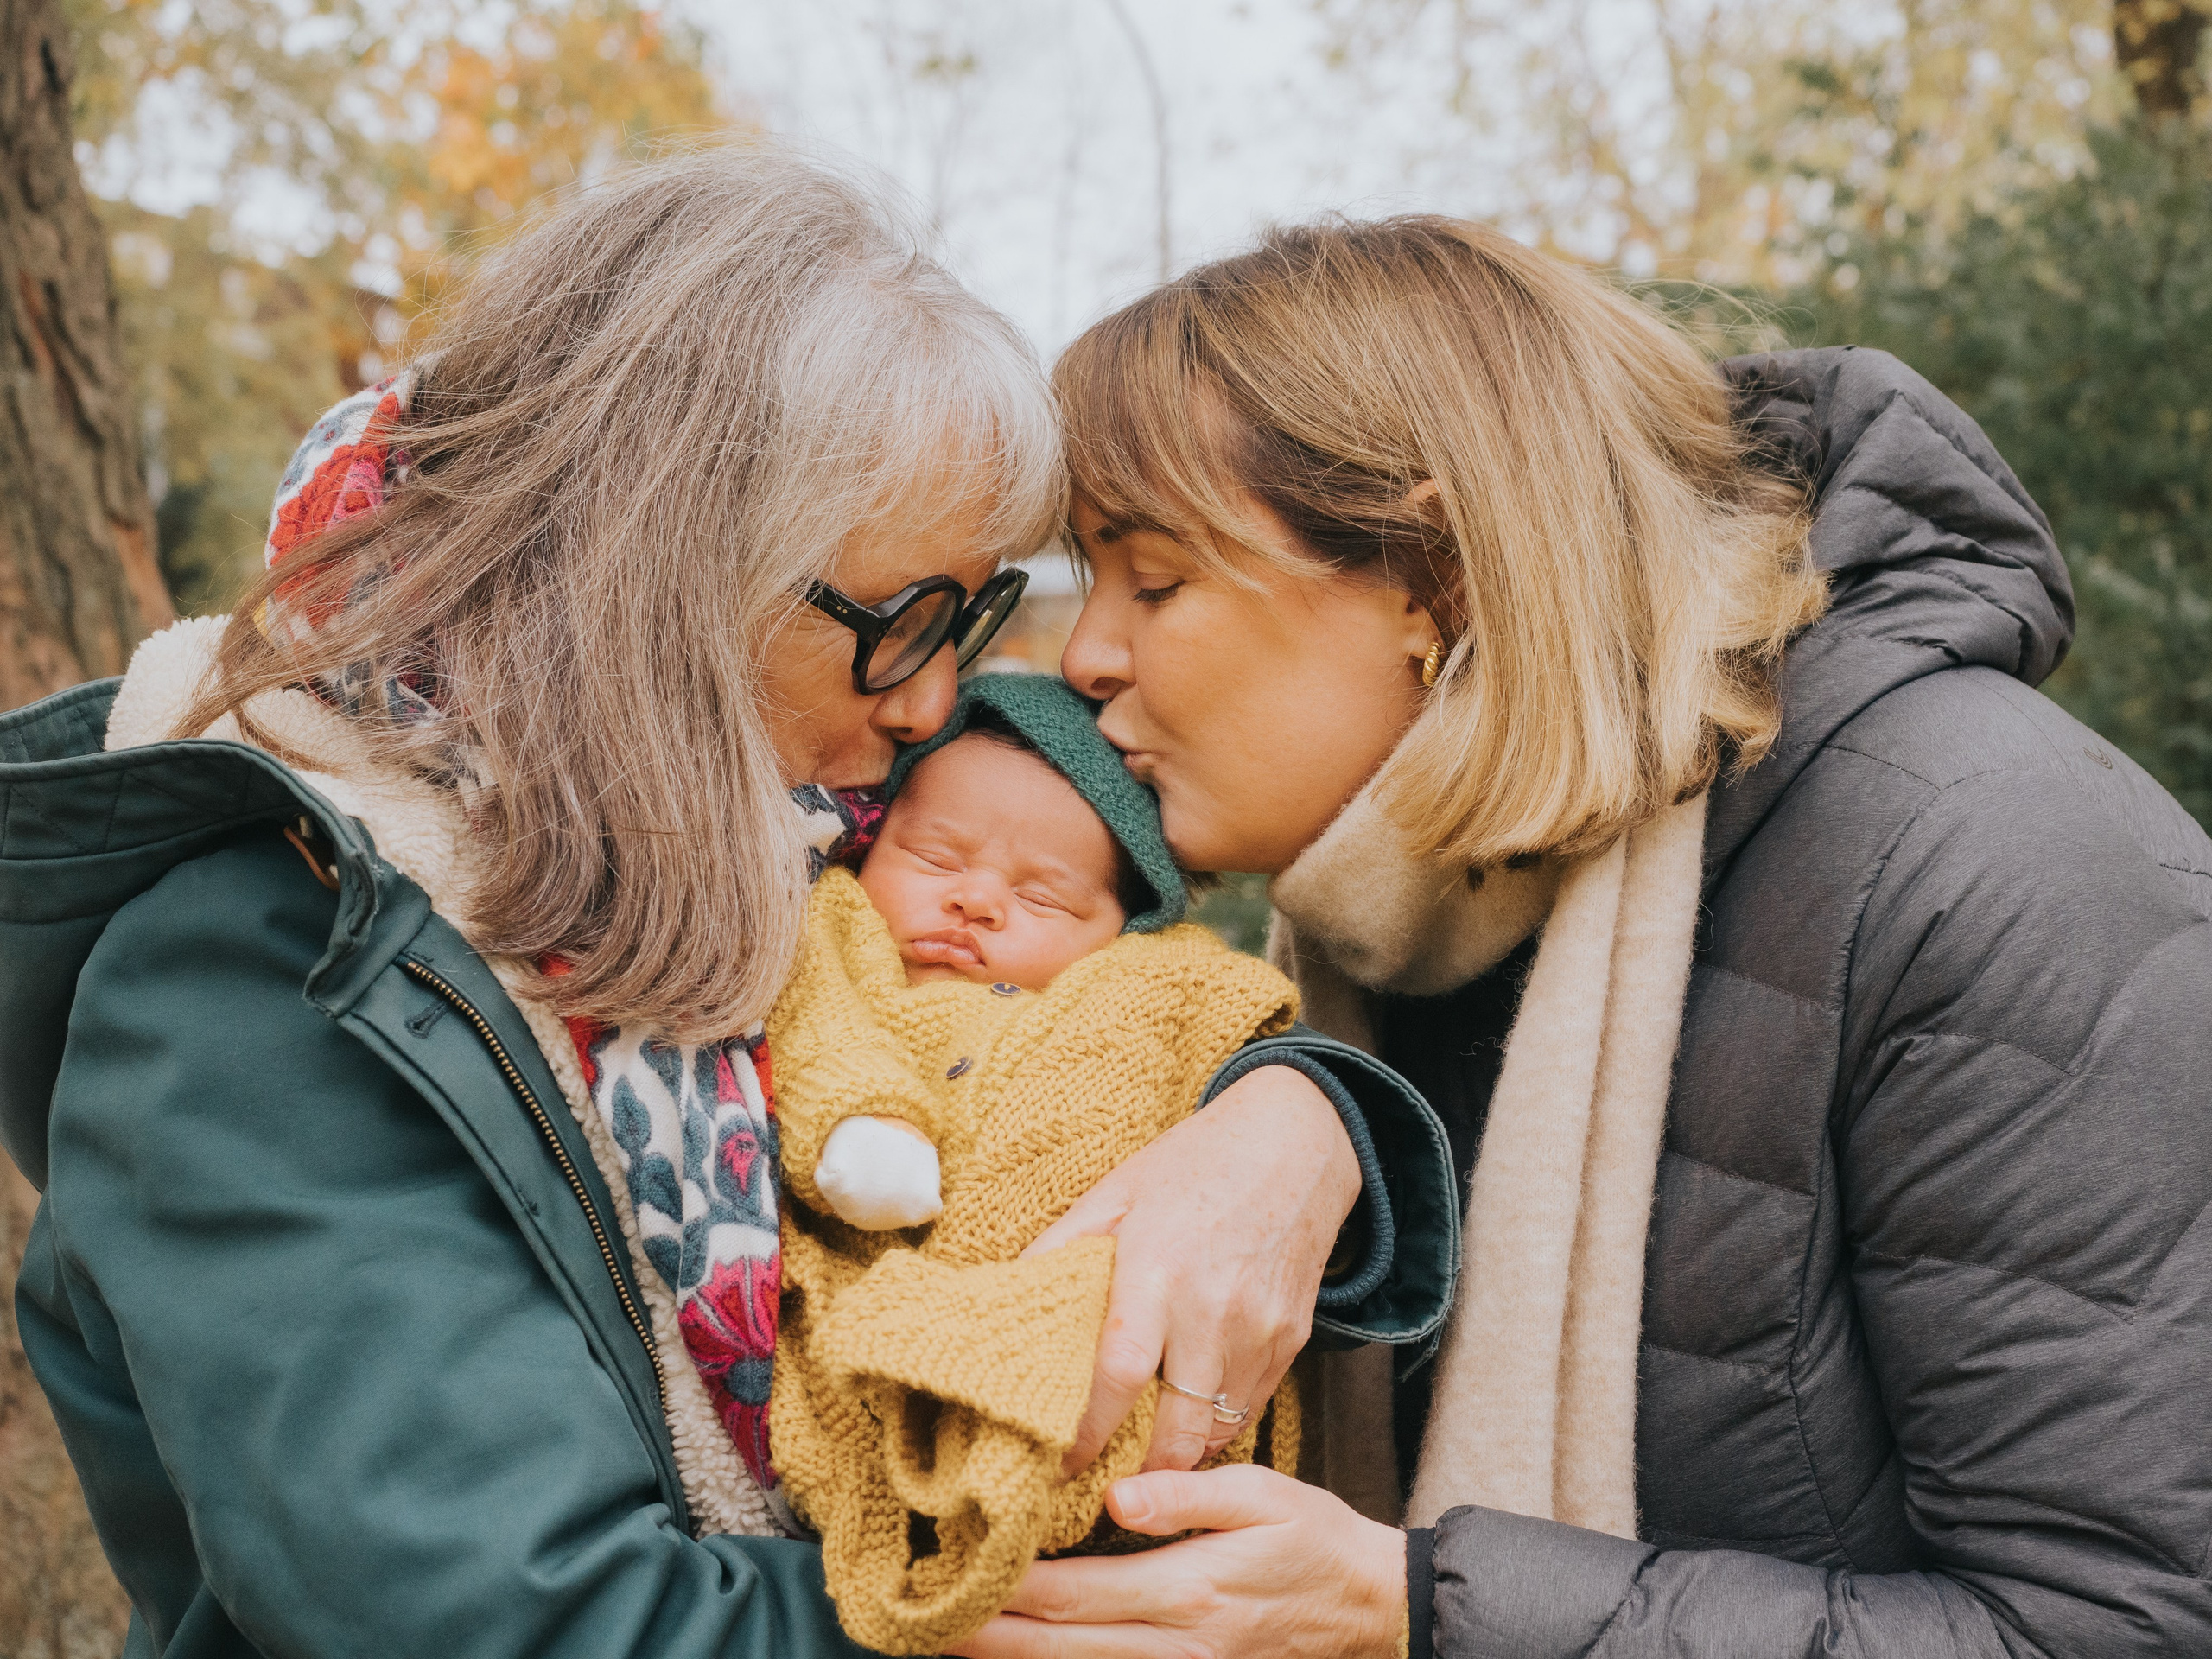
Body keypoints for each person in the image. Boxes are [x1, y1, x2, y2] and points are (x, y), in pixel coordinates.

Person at [0, 152, 1452, 1657]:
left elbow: (1046, 1062)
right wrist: (1115, 1622)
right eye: (907, 625)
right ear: (679, 563)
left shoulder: (766, 854)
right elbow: (526, 1622)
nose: (941, 700)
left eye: (975, 618)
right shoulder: (265, 976)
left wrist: (1295, 1116)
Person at [949, 216, 2212, 1657]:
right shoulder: (1394, 928)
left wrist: (1413, 1610)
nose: (1088, 655)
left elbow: (2130, 1623)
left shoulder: (1986, 860)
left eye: (1154, 579)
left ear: (1434, 576)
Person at [772, 674, 1354, 1655]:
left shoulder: (1134, 987)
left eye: (1041, 894)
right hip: (872, 1280)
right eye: (933, 855)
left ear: (1118, 932)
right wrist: (862, 1124)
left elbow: (1224, 1025)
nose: (974, 899)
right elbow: (816, 1032)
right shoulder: (826, 937)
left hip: (1085, 1321)